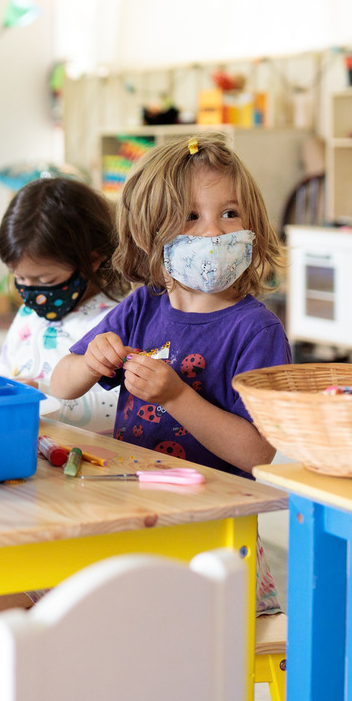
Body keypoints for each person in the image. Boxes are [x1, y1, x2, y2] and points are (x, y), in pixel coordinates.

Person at [50, 130, 285, 604]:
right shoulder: (144, 305)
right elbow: (61, 382)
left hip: (213, 535)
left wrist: (177, 397)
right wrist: (90, 362)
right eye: (191, 218)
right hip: (133, 513)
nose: (214, 232)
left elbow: (259, 453)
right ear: (150, 232)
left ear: (253, 222)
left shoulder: (257, 331)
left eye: (229, 213)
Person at [0, 177, 130, 698]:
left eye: (46, 279)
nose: (34, 293)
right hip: (26, 462)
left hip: (84, 476)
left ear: (94, 259)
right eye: (21, 281)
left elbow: (113, 406)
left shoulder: (118, 318)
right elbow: (10, 366)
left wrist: (33, 392)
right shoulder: (29, 313)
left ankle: (22, 645)